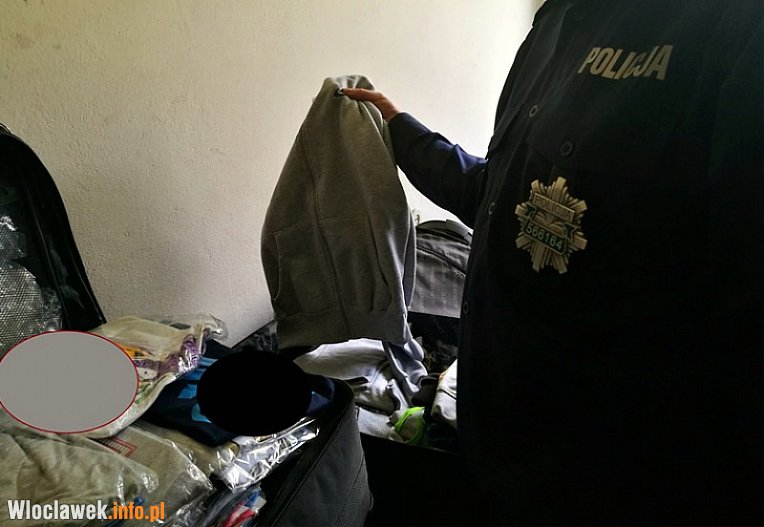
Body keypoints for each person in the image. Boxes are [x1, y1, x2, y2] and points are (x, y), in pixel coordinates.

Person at [343, 1, 763, 524]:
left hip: (611, 478)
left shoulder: (738, 29)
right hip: (495, 437)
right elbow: (506, 197)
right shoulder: (555, 20)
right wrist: (404, 134)